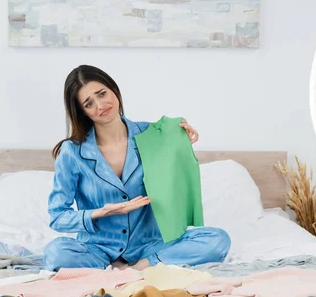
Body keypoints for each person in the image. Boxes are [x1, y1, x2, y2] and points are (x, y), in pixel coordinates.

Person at [43, 64, 231, 271]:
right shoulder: (72, 152)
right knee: (55, 253)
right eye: (89, 103)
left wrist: (180, 147)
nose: (100, 105)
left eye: (102, 94)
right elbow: (58, 216)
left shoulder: (153, 135)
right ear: (82, 112)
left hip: (150, 245)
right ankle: (121, 266)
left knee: (218, 239)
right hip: (98, 247)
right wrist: (99, 213)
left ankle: (139, 267)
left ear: (114, 89)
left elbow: (175, 182)